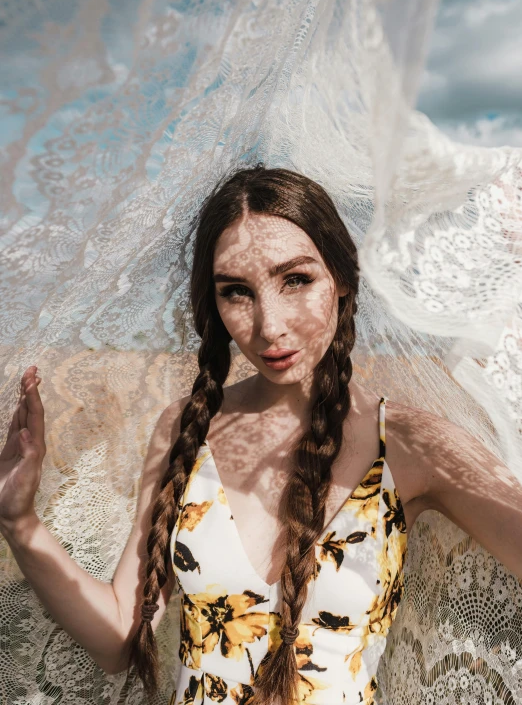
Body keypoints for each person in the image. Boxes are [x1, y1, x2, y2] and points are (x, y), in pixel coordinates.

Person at [1, 165, 521, 705]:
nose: (269, 325)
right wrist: (19, 521)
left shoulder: (411, 444)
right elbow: (118, 638)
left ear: (340, 278)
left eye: (295, 279)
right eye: (237, 292)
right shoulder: (186, 430)